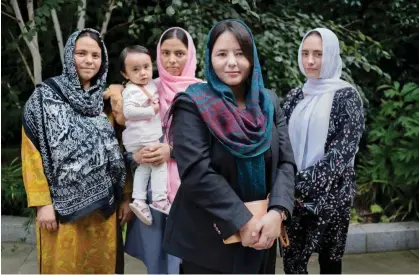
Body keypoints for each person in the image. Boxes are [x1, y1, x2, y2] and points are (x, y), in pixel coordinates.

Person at [163, 19, 296, 274]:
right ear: (209, 57)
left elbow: (285, 163)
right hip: (209, 241)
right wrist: (242, 222)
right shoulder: (193, 104)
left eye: (240, 53)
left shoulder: (269, 102)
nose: (232, 62)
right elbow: (196, 172)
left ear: (252, 57)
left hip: (262, 235)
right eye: (222, 54)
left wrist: (277, 213)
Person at [21, 28, 132, 274]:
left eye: (95, 55)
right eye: (81, 53)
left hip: (104, 212)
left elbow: (121, 151)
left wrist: (126, 196)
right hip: (60, 213)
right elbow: (31, 154)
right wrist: (42, 204)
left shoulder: (107, 103)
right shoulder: (44, 98)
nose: (89, 60)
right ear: (69, 55)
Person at [282, 28, 365, 274]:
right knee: (293, 264)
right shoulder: (296, 96)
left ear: (331, 56)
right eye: (305, 53)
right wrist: (285, 185)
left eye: (318, 54)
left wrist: (300, 184)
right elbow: (281, 143)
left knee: (329, 263)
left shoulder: (347, 97)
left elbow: (342, 153)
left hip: (332, 194)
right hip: (294, 198)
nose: (310, 60)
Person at [123, 27, 203, 274]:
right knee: (157, 258)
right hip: (154, 191)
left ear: (190, 55)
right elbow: (130, 133)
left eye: (179, 53)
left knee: (190, 260)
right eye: (165, 53)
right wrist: (134, 156)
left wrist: (172, 151)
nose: (171, 60)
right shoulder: (147, 89)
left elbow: (210, 144)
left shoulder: (204, 92)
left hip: (191, 189)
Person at [119, 45, 171, 225]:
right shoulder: (131, 90)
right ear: (125, 75)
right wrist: (151, 110)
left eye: (146, 67)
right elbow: (129, 112)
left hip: (139, 137)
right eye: (135, 69)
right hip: (142, 136)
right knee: (159, 163)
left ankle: (139, 201)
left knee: (145, 167)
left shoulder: (148, 84)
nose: (143, 73)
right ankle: (159, 200)